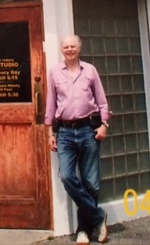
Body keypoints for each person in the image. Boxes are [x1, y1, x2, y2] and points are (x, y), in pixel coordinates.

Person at [45, 35, 110, 244]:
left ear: (79, 49)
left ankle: (84, 230)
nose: (69, 49)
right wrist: (50, 133)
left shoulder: (90, 70)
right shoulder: (55, 72)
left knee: (91, 183)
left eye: (73, 46)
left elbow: (101, 101)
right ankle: (99, 216)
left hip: (88, 130)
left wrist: (104, 125)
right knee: (66, 177)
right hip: (64, 132)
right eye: (66, 47)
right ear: (62, 50)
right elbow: (50, 104)